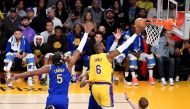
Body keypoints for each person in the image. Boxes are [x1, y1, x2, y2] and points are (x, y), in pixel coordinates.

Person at [7, 23, 95, 109]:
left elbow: (30, 72)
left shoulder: (49, 67)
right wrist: (86, 33)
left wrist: (15, 76)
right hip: (63, 99)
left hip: (52, 99)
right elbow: (79, 49)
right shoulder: (68, 65)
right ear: (62, 60)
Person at [81, 26, 143, 108]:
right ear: (103, 47)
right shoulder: (108, 56)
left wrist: (116, 40)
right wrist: (135, 34)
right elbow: (123, 47)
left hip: (94, 88)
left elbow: (87, 75)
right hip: (104, 87)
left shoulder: (91, 58)